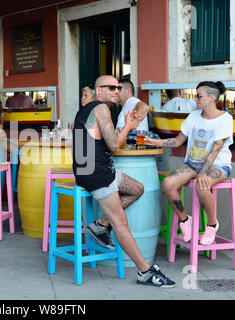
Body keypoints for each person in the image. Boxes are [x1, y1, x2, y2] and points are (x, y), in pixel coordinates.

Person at [73, 75, 176, 288]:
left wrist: (125, 126)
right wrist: (129, 126)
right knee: (121, 222)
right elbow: (113, 145)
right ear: (98, 91)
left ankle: (101, 224)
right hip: (97, 174)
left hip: (92, 170)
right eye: (111, 87)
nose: (116, 91)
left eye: (118, 88)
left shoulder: (86, 110)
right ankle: (145, 271)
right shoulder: (100, 109)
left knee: (137, 189)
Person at [145, 81, 232, 246]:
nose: (195, 98)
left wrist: (203, 172)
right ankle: (185, 220)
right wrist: (153, 142)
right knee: (168, 184)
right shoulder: (193, 116)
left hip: (218, 165)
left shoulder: (225, 119)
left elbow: (216, 149)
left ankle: (212, 224)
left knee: (202, 185)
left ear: (212, 97)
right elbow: (178, 141)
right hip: (192, 164)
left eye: (199, 95)